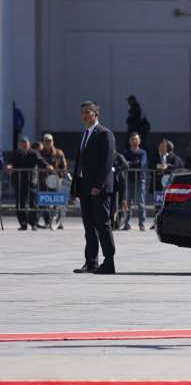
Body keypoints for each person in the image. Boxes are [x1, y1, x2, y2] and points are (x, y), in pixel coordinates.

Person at [70, 101, 117, 273]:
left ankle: (109, 261)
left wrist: (98, 185)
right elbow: (79, 164)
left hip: (99, 188)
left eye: (87, 112)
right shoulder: (84, 135)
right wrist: (74, 188)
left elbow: (106, 163)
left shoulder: (105, 134)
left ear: (96, 114)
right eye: (81, 112)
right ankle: (91, 261)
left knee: (102, 224)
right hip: (84, 187)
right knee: (88, 225)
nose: (83, 115)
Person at [5, 137, 48, 231]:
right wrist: (9, 166)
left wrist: (48, 166)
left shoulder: (33, 153)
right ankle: (23, 223)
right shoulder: (15, 154)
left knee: (33, 203)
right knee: (20, 203)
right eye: (22, 143)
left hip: (32, 181)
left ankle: (34, 224)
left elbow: (41, 162)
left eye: (26, 143)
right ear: (19, 145)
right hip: (19, 181)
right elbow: (9, 162)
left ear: (29, 144)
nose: (24, 145)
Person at [37, 134, 68, 230]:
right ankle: (47, 221)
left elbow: (64, 166)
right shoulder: (39, 153)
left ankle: (58, 222)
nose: (48, 142)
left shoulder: (59, 153)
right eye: (46, 141)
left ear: (53, 141)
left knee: (57, 202)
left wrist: (59, 173)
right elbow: (37, 165)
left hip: (56, 181)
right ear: (43, 142)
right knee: (43, 201)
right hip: (43, 181)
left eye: (50, 140)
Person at [151, 139, 183, 229]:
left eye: (164, 146)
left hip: (170, 185)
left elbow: (178, 165)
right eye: (160, 146)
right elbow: (151, 165)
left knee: (169, 203)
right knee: (158, 203)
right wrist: (159, 166)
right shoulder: (156, 156)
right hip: (158, 183)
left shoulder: (174, 157)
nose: (161, 148)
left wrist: (168, 166)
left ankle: (170, 222)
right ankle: (156, 222)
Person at [122, 132, 149, 231]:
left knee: (141, 202)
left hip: (140, 179)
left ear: (139, 141)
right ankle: (127, 223)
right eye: (132, 139)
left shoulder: (143, 152)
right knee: (128, 202)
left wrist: (130, 163)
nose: (134, 141)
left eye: (136, 139)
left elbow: (142, 164)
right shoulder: (126, 153)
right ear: (130, 141)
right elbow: (124, 164)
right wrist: (132, 163)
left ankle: (141, 223)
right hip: (129, 179)